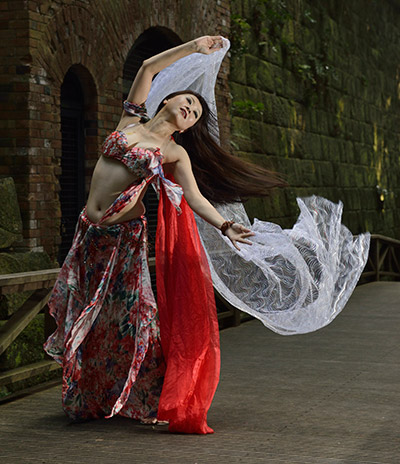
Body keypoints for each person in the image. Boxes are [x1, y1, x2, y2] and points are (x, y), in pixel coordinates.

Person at [44, 35, 286, 435]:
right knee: (86, 314)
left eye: (195, 113)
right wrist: (194, 47)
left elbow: (194, 197)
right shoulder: (130, 122)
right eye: (187, 101)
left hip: (123, 240)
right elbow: (147, 68)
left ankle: (153, 398)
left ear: (188, 127)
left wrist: (225, 226)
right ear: (168, 99)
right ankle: (91, 397)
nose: (190, 109)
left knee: (133, 318)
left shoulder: (175, 153)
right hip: (88, 233)